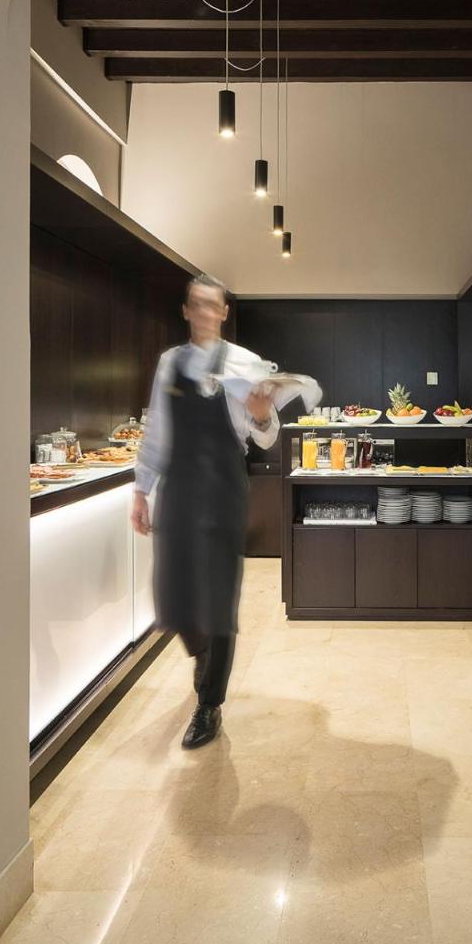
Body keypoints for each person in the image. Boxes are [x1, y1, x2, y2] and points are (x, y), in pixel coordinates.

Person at [131, 273, 279, 749]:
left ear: (223, 312)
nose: (203, 312)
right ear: (185, 310)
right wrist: (141, 490)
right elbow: (157, 429)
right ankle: (202, 653)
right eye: (195, 303)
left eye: (211, 304)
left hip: (223, 488)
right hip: (177, 488)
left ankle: (209, 704)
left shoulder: (244, 363)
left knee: (218, 597)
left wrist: (262, 413)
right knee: (171, 596)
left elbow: (266, 435)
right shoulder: (170, 363)